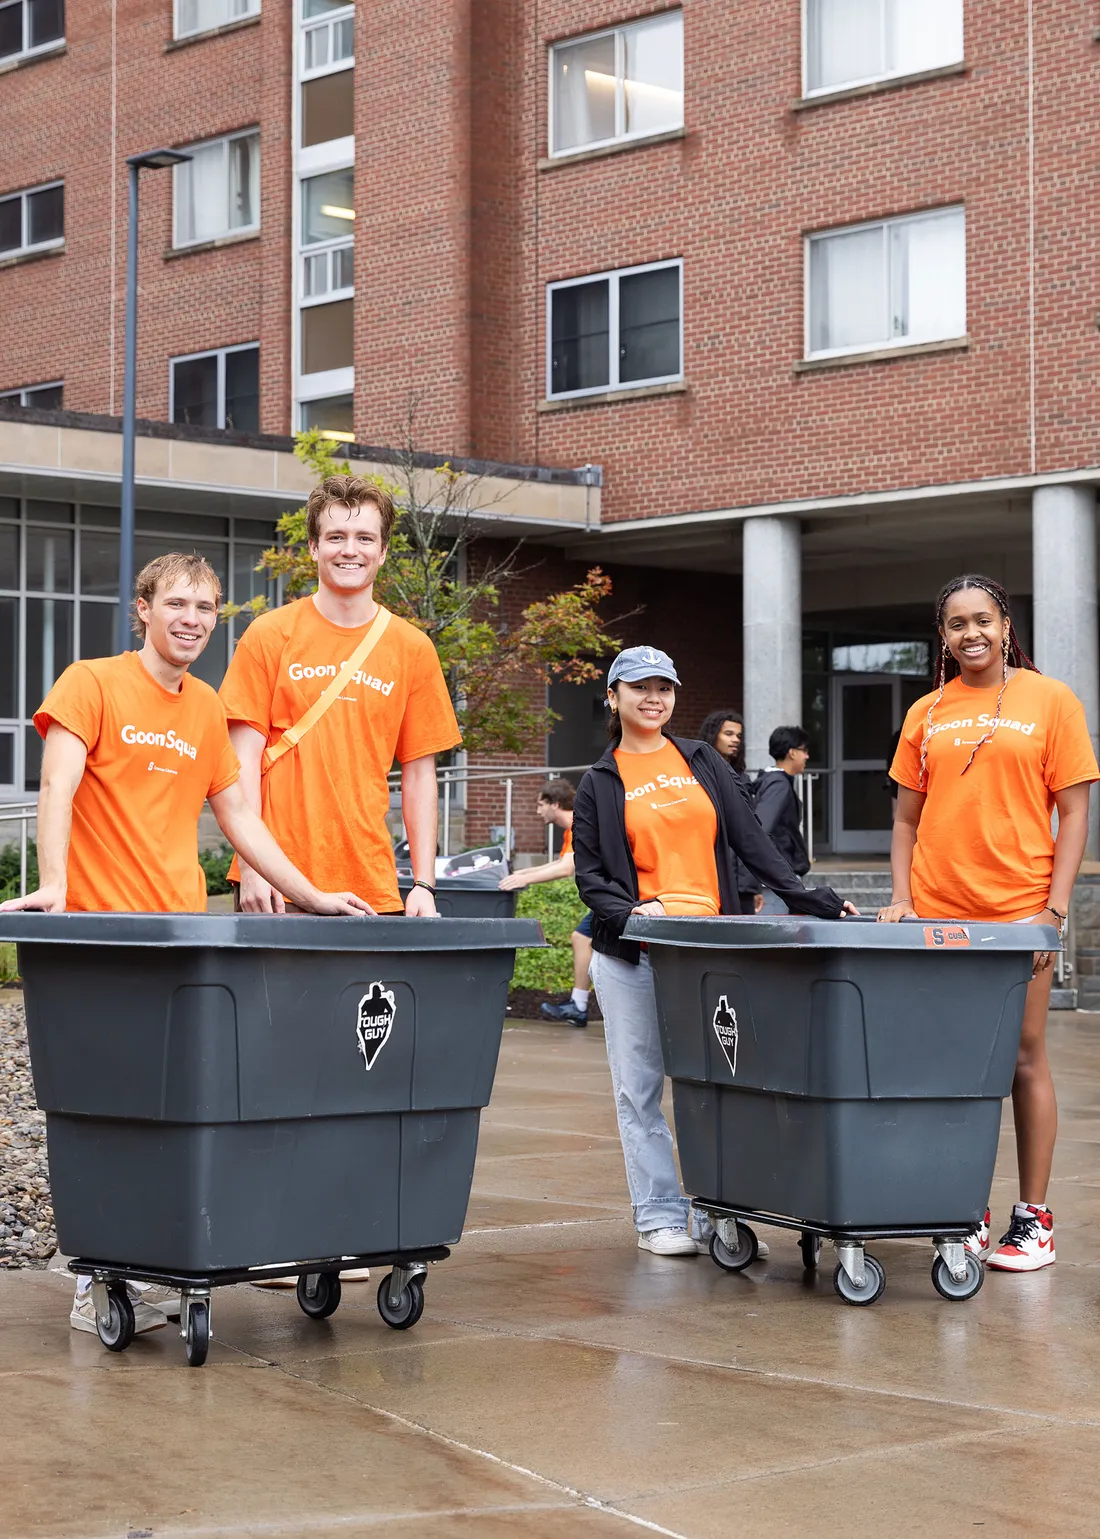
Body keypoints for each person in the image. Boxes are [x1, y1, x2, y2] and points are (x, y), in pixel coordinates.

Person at [0, 552, 373, 1335]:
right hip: (105, 938)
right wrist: (58, 883)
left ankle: (151, 1261)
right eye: (177, 602)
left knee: (176, 1113)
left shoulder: (205, 704)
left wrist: (309, 895)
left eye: (206, 607)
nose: (192, 618)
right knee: (106, 1110)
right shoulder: (89, 683)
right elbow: (57, 786)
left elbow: (238, 815)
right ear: (143, 607)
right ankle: (97, 1277)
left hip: (182, 940)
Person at [573, 646, 852, 1258]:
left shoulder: (698, 758)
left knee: (719, 1083)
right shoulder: (600, 780)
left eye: (664, 688)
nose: (654, 699)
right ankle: (659, 1214)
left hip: (710, 950)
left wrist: (807, 899)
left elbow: (752, 840)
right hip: (636, 953)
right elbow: (591, 876)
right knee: (639, 1089)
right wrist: (628, 915)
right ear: (613, 697)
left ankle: (716, 1206)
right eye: (640, 687)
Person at [879, 573, 1098, 1273]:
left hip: (1017, 914)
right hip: (940, 914)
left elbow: (1075, 812)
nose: (970, 633)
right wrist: (903, 897)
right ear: (941, 636)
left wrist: (1053, 908)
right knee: (950, 1064)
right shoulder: (927, 711)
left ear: (1005, 624)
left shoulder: (1051, 699)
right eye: (955, 624)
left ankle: (1033, 1219)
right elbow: (905, 819)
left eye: (982, 619)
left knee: (1022, 1057)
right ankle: (960, 1208)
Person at [219, 474, 462, 920]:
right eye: (336, 536)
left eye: (364, 538)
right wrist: (252, 867)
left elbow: (420, 775)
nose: (350, 550)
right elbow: (242, 765)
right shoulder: (269, 635)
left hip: (373, 886)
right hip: (278, 884)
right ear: (314, 547)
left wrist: (424, 884)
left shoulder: (412, 648)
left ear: (383, 551)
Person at [499, 777, 593, 1027]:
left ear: (555, 803)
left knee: (584, 938)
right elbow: (562, 863)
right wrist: (522, 875)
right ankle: (579, 1005)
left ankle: (580, 1006)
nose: (537, 810)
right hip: (617, 896)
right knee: (583, 938)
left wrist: (524, 879)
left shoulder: (579, 823)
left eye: (541, 804)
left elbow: (565, 869)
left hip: (623, 896)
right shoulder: (572, 828)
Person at [698, 708, 763, 915]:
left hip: (741, 884)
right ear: (713, 734)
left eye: (739, 736)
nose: (735, 740)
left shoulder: (742, 779)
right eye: (728, 734)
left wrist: (753, 886)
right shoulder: (694, 776)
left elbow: (749, 835)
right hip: (708, 878)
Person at [754, 725, 812, 877]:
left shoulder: (773, 781)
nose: (807, 756)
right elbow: (761, 829)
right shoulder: (778, 785)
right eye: (804, 751)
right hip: (778, 878)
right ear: (792, 753)